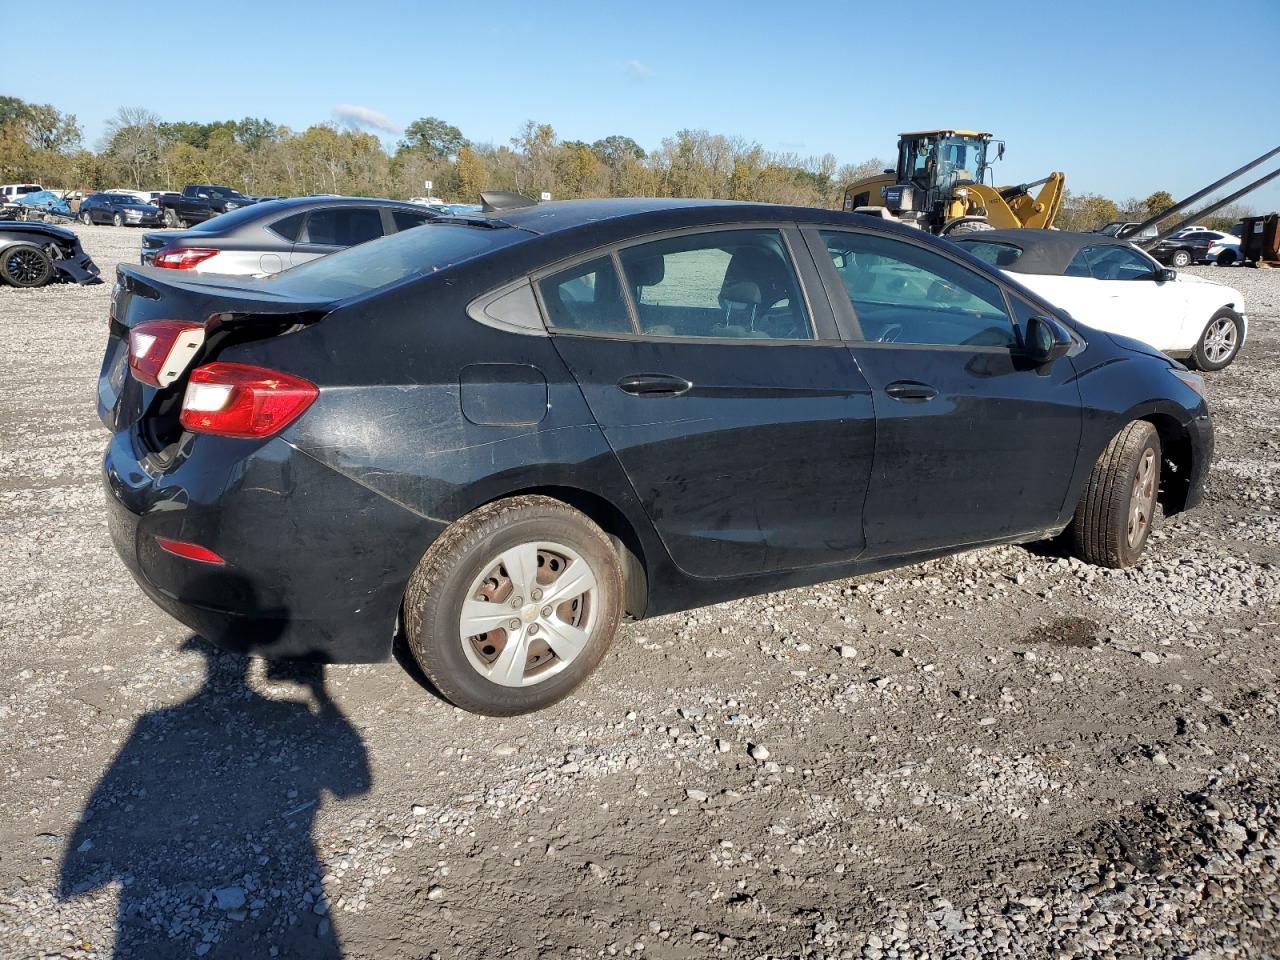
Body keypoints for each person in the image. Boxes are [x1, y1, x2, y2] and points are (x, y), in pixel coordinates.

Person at [60, 630, 370, 959]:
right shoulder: (294, 713)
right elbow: (355, 785)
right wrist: (321, 695)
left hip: (144, 903)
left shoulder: (151, 726)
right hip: (295, 860)